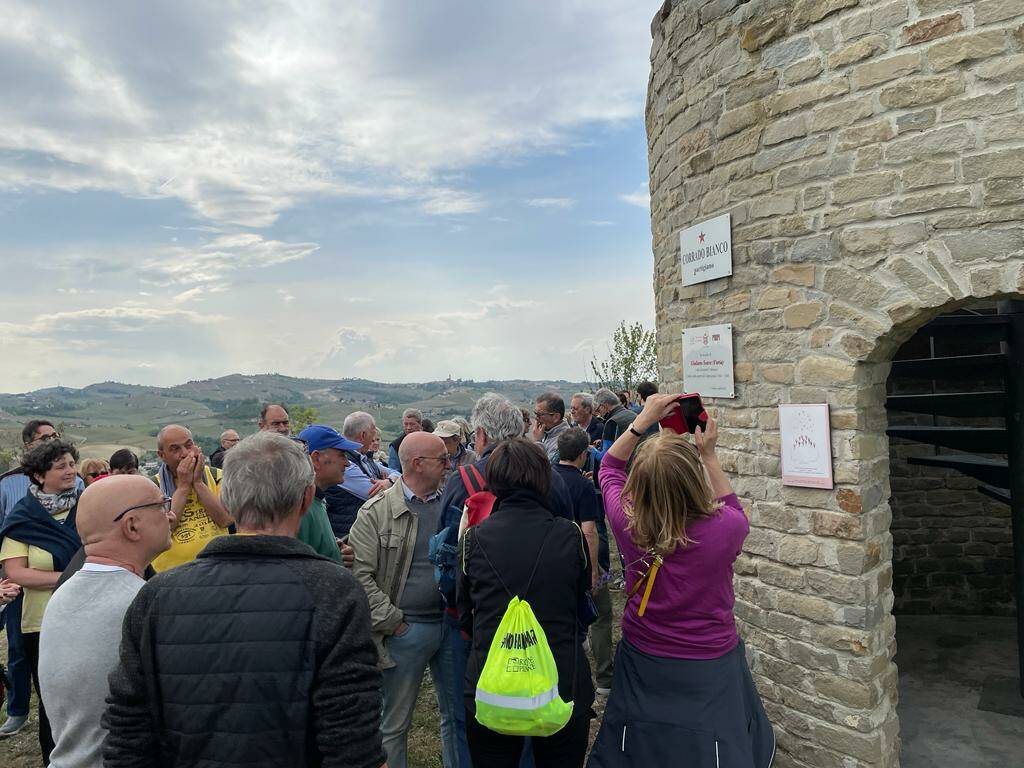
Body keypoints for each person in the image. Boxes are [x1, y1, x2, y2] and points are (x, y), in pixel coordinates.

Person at [102, 432, 386, 768]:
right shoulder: (333, 591)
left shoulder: (156, 595)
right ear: (307, 498)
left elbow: (129, 730)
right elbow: (351, 741)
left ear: (231, 501)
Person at [588, 395, 774, 767]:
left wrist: (643, 420)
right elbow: (734, 507)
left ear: (638, 484)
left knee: (644, 737)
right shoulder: (727, 529)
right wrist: (709, 455)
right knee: (713, 741)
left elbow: (608, 468)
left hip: (644, 651)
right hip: (711, 658)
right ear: (693, 478)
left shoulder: (628, 523)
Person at [457, 438, 594, 767]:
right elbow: (581, 603)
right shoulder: (570, 535)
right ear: (544, 479)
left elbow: (464, 613)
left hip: (494, 681)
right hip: (561, 679)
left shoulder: (473, 540)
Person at [38, 475, 173, 768]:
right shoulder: (144, 603)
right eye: (162, 506)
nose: (171, 514)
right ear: (132, 525)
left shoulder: (62, 596)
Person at [349, 431, 458, 768]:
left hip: (450, 625)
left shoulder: (452, 506)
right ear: (418, 464)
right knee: (394, 724)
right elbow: (360, 578)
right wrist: (396, 624)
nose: (449, 465)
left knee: (458, 717)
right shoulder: (376, 513)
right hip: (406, 630)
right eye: (442, 459)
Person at [0, 439, 83, 763]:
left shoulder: (87, 505)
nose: (70, 470)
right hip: (42, 622)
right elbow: (17, 573)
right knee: (52, 701)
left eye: (71, 464)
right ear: (38, 475)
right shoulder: (23, 518)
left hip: (86, 612)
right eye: (60, 466)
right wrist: (71, 577)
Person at [554, 428, 611, 696]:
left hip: (555, 559)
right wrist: (594, 571)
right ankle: (604, 677)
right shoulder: (584, 486)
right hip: (579, 558)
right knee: (601, 616)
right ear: (582, 454)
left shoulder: (547, 478)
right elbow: (589, 530)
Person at [150, 424, 232, 572]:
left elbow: (225, 520)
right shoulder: (152, 486)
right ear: (161, 455)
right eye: (175, 449)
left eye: (189, 446)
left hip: (218, 568)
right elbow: (165, 529)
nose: (184, 453)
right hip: (171, 574)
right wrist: (183, 487)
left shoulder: (217, 476)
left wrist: (198, 482)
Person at [326, 412, 400, 539]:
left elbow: (397, 474)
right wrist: (391, 483)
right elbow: (376, 495)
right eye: (373, 431)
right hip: (349, 537)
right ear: (363, 435)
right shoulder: (346, 464)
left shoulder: (364, 458)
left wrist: (389, 481)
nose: (374, 437)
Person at [296, 424, 364, 563]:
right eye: (342, 455)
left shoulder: (317, 500)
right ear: (316, 459)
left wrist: (335, 550)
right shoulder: (300, 509)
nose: (347, 463)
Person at [592, 388, 637, 458]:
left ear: (605, 405)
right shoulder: (633, 414)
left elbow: (605, 457)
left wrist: (592, 450)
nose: (599, 414)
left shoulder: (611, 423)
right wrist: (603, 442)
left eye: (598, 409)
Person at [531, 392, 569, 464]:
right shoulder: (546, 431)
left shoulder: (564, 442)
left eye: (540, 414)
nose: (536, 418)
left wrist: (538, 442)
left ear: (556, 417)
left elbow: (542, 469)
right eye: (535, 414)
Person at [388, 408, 424, 473]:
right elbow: (393, 472)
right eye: (406, 424)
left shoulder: (429, 442)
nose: (409, 428)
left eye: (412, 424)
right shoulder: (396, 446)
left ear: (420, 424)